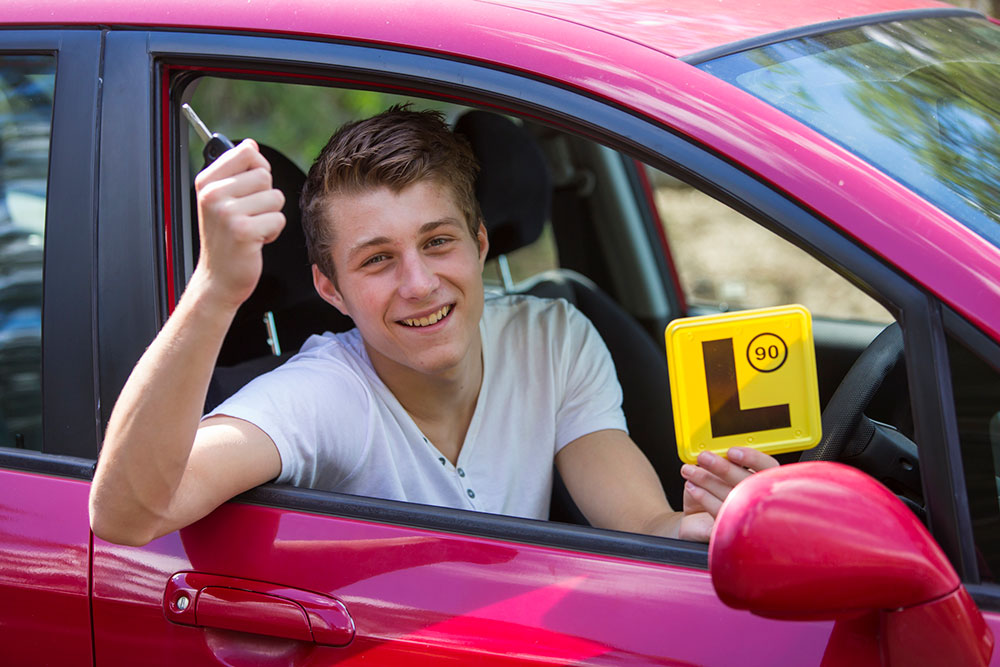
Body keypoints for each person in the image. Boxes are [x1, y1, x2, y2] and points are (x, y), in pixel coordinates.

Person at [89, 106, 776, 547]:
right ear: (329, 287)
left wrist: (705, 524)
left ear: (479, 244)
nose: (418, 283)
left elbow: (643, 526)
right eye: (379, 259)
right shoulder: (321, 393)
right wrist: (215, 290)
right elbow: (124, 516)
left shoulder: (553, 338)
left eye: (438, 242)